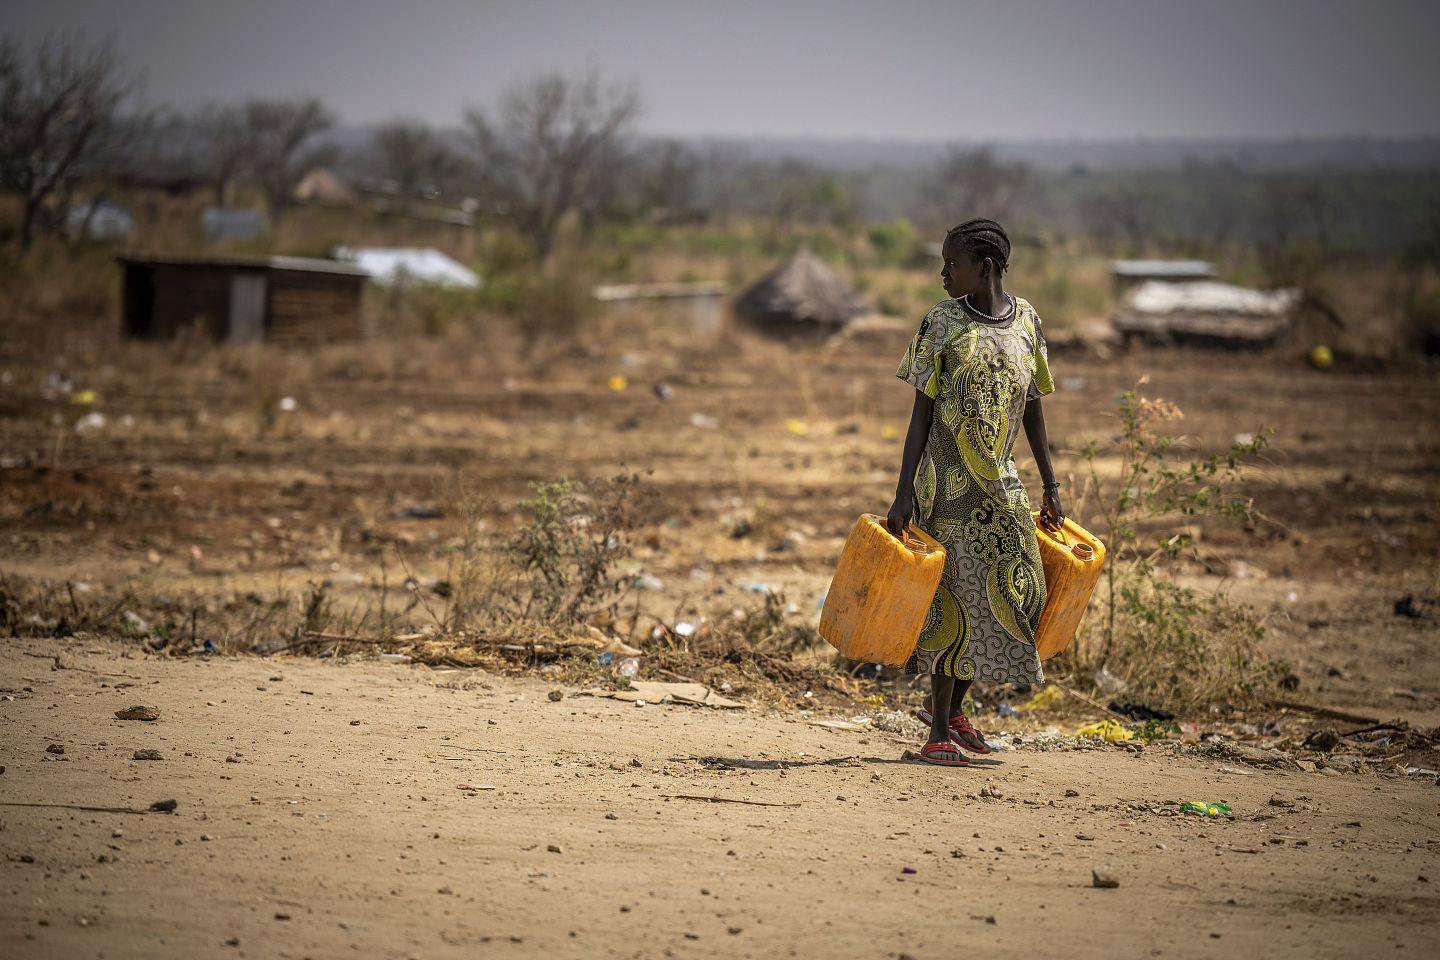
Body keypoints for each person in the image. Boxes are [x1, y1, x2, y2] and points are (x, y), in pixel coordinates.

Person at [887, 218, 1064, 767]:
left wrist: (1051, 486)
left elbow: (1033, 407)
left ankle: (955, 713)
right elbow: (920, 417)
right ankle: (936, 730)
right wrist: (902, 494)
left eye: (952, 264)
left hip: (1000, 485)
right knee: (952, 604)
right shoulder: (939, 324)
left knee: (1020, 593)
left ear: (984, 266)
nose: (943, 273)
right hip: (946, 487)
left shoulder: (1027, 321)